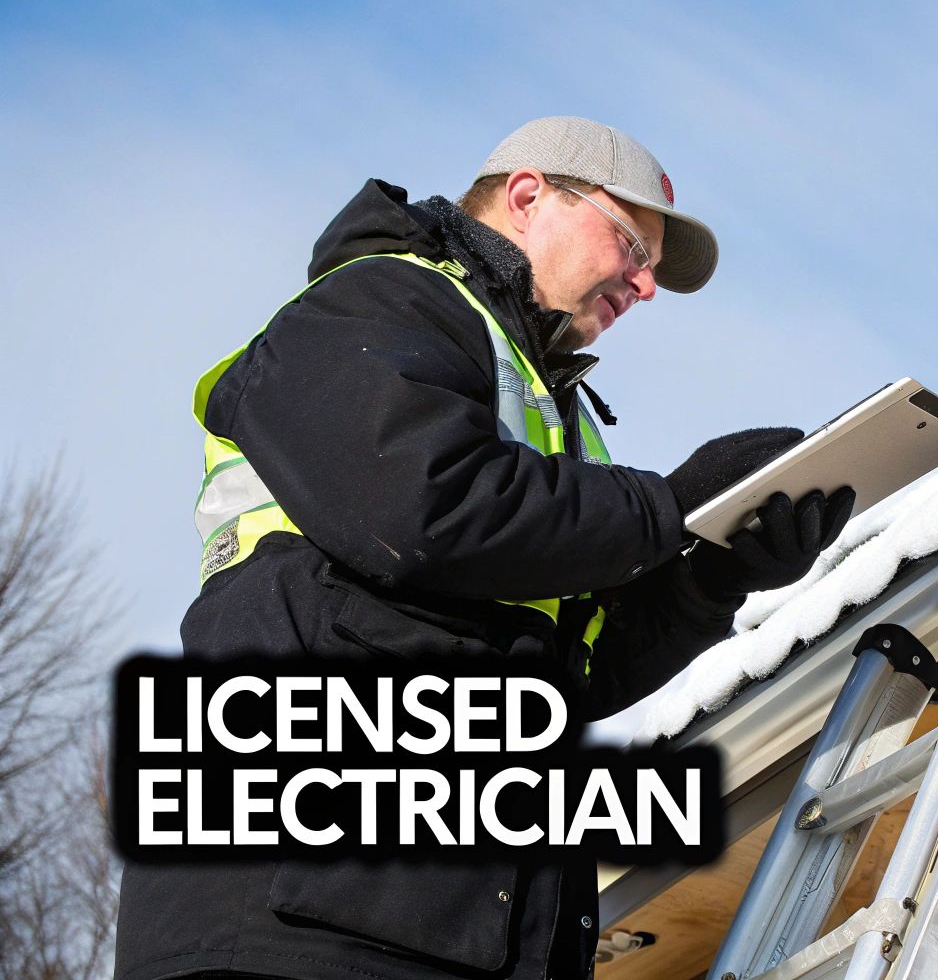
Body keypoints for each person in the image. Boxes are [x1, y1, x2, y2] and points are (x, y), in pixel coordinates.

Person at [115, 116, 854, 980]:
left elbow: (578, 672)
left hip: (468, 927)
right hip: (300, 920)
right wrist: (672, 500)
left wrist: (716, 574)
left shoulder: (550, 418)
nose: (645, 285)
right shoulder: (375, 301)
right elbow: (416, 508)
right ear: (529, 196)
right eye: (629, 243)